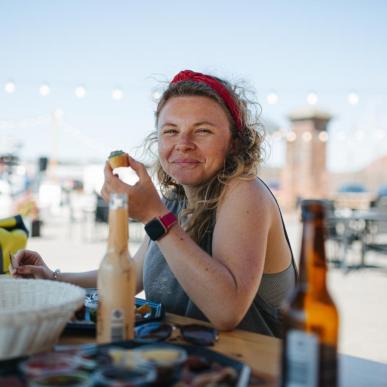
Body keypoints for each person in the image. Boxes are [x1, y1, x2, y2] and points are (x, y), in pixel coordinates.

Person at [11, 70, 297, 337]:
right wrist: (54, 278)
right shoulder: (176, 200)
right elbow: (131, 275)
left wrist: (153, 215)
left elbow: (226, 311)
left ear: (235, 142)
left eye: (202, 131)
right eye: (171, 131)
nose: (183, 143)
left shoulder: (244, 191)